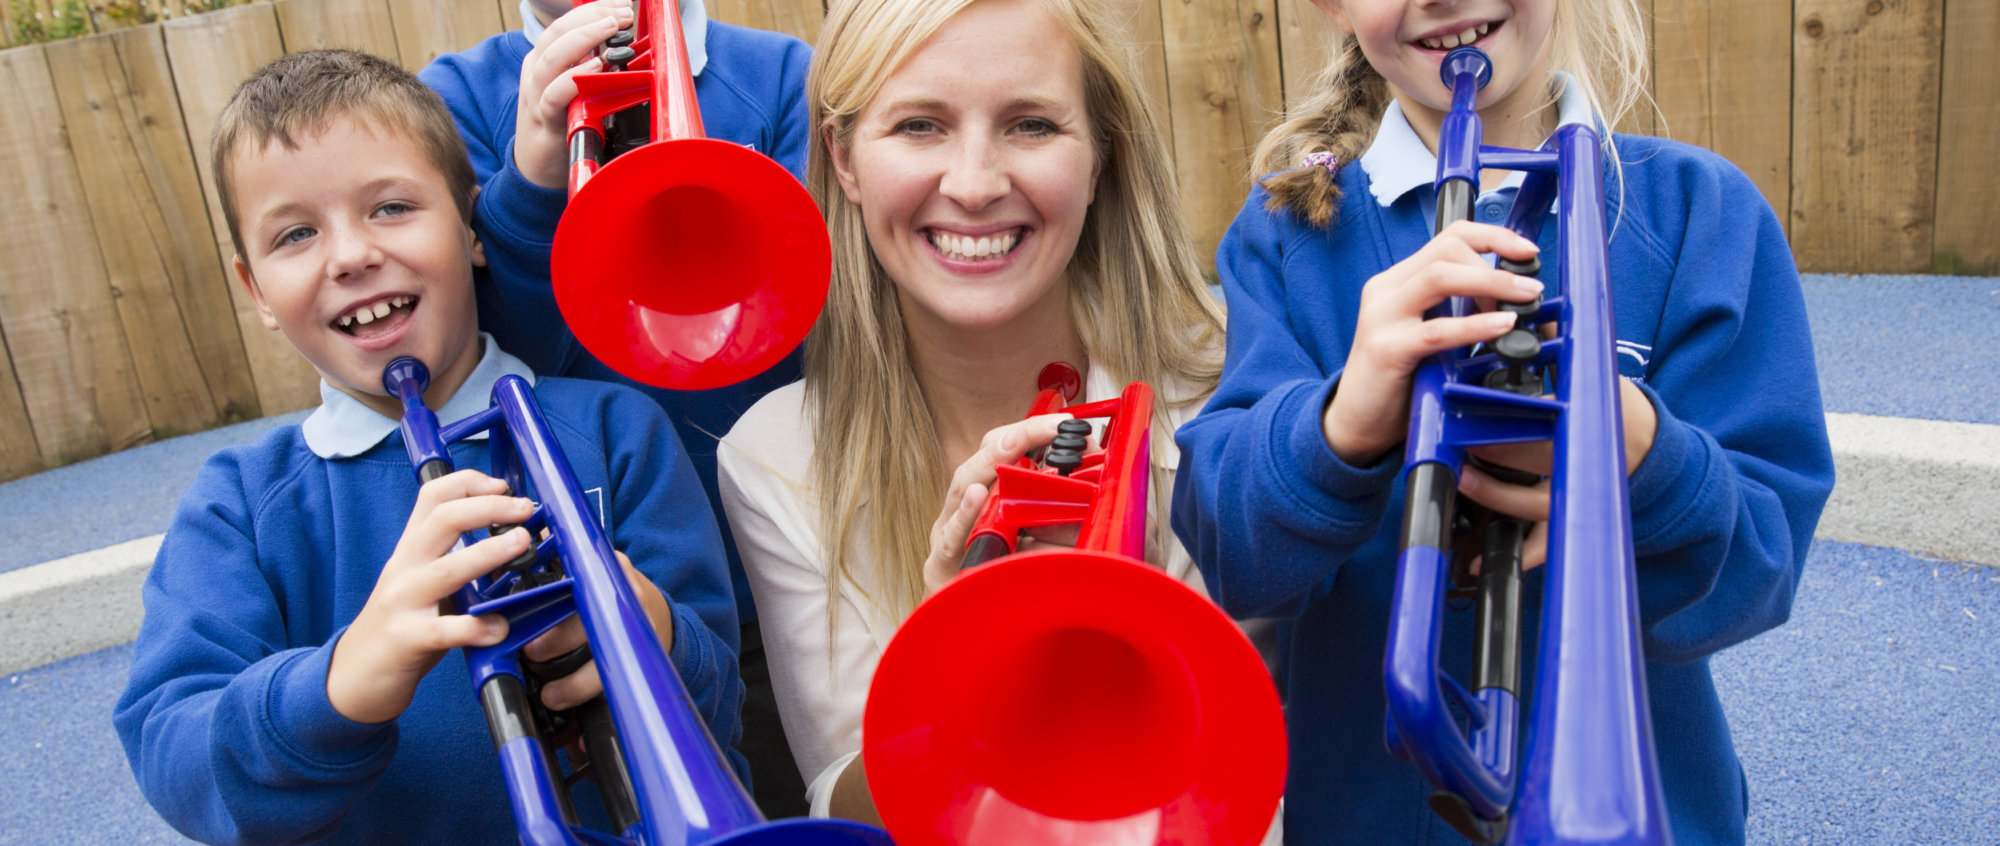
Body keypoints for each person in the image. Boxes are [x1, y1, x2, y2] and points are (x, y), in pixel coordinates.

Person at [1170, 0, 1836, 842]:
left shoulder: (1702, 211)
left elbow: (1762, 571)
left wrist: (1641, 455)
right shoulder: (1285, 236)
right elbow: (1235, 559)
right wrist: (1341, 427)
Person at [112, 50, 743, 844]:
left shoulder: (617, 431)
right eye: (296, 234)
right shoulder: (240, 503)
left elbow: (722, 704)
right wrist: (337, 685)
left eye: (391, 208)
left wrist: (658, 635)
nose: (350, 255)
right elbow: (172, 751)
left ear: (471, 231)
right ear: (256, 292)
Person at [713, 0, 1260, 825]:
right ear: (845, 159)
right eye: (919, 126)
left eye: (1032, 125)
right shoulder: (773, 457)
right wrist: (953, 666)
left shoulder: (1234, 387)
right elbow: (845, 805)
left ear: (1102, 156)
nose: (973, 185)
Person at [418, 0, 815, 813]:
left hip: (784, 567)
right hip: (593, 587)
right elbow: (497, 356)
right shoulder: (454, 100)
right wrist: (531, 186)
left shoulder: (781, 78)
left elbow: (807, 315)